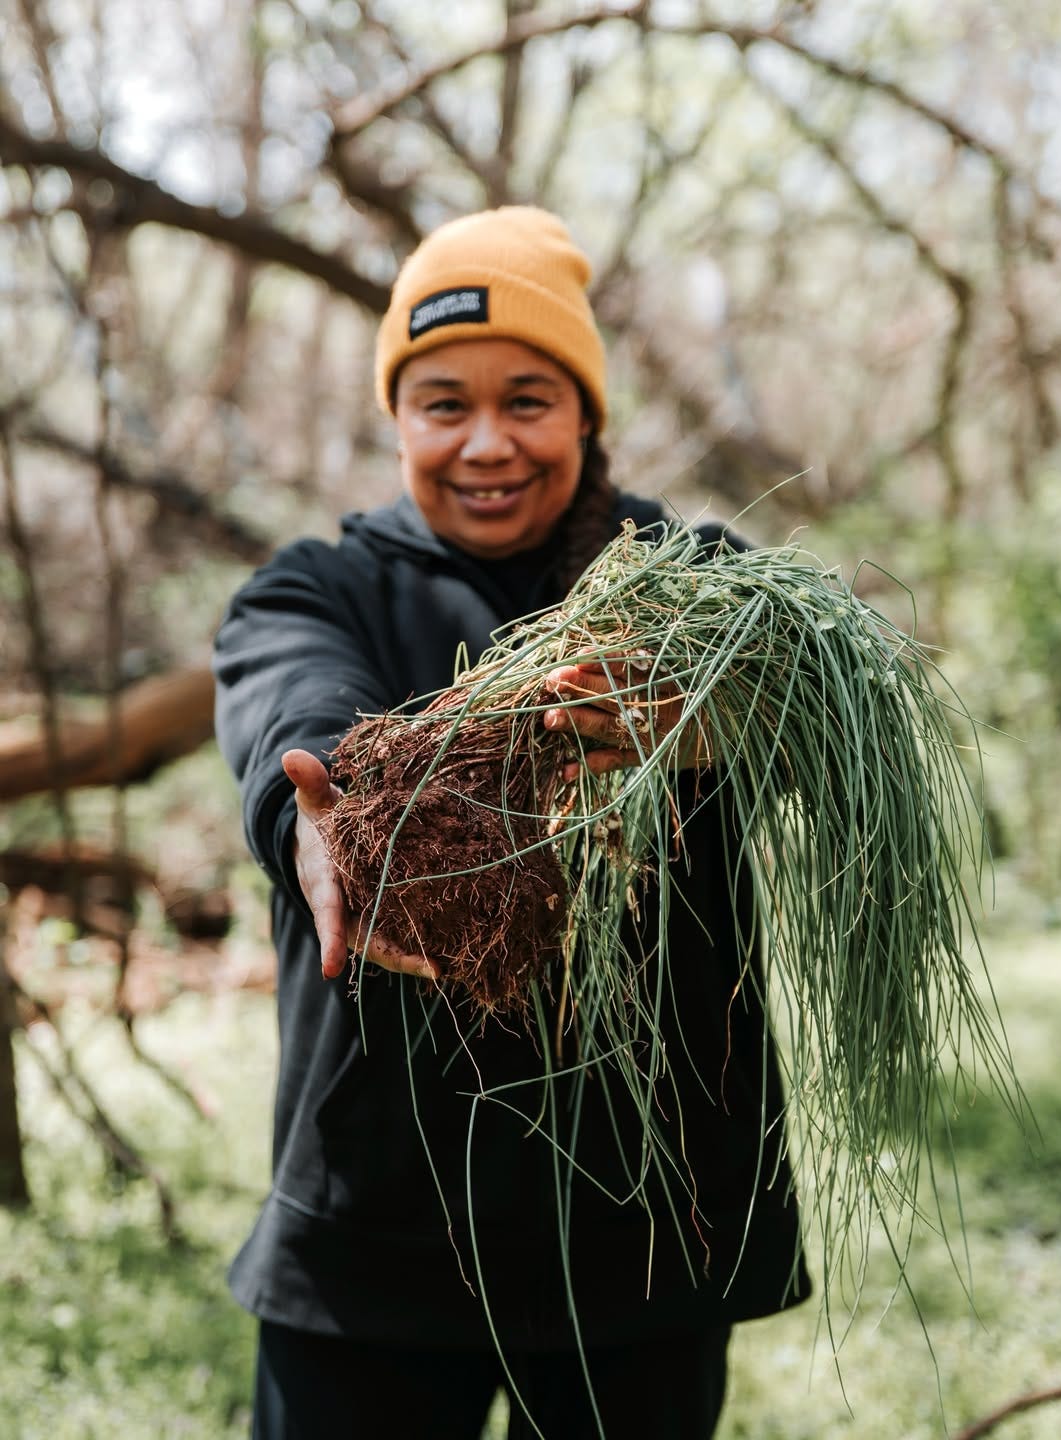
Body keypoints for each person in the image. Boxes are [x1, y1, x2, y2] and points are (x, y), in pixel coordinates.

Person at [213, 206, 810, 1440]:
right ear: (396, 419)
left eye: (529, 398)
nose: (487, 442)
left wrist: (698, 722)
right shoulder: (315, 588)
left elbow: (803, 710)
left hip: (645, 1236)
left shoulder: (700, 587)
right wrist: (320, 813)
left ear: (586, 414)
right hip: (375, 1228)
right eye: (443, 403)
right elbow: (292, 710)